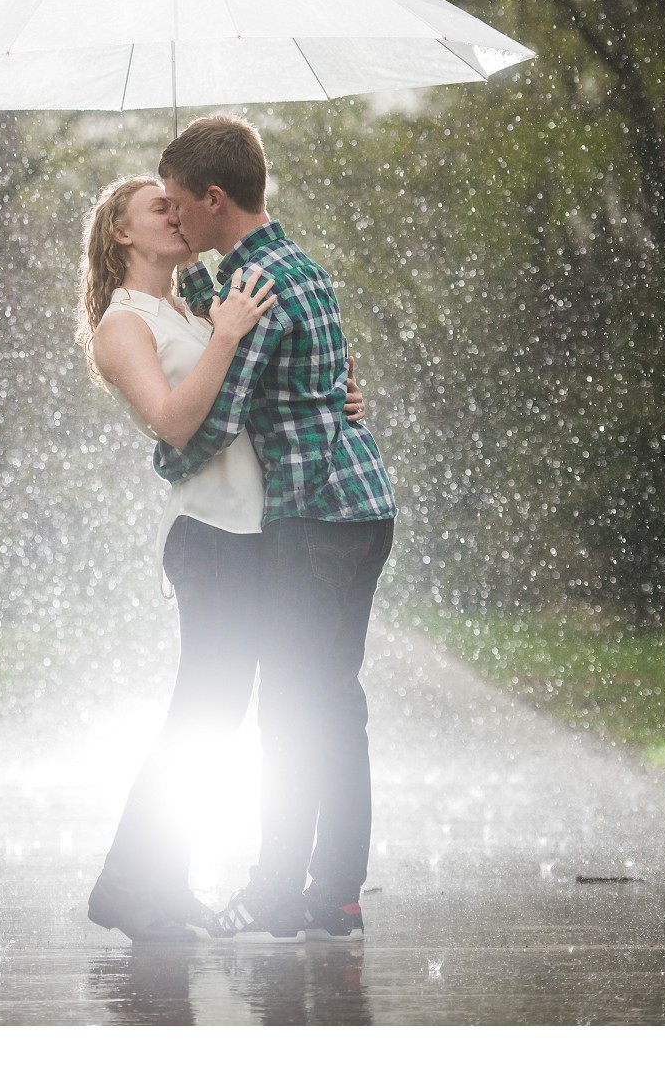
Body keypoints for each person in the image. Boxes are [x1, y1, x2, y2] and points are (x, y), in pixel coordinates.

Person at [74, 172, 364, 944]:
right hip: (207, 535)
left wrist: (335, 398)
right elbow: (174, 423)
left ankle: (158, 884)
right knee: (202, 713)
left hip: (253, 529)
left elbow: (253, 399)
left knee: (218, 715)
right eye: (155, 208)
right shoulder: (122, 325)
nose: (175, 215)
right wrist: (227, 333)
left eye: (177, 203)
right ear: (121, 235)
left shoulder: (189, 304)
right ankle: (129, 885)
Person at [155, 115, 397, 945]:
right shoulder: (295, 267)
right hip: (364, 506)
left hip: (315, 518)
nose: (175, 218)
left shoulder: (256, 286)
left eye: (182, 205)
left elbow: (215, 418)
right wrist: (195, 284)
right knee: (334, 703)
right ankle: (335, 894)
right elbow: (317, 377)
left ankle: (277, 892)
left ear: (215, 197)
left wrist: (166, 453)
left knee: (295, 709)